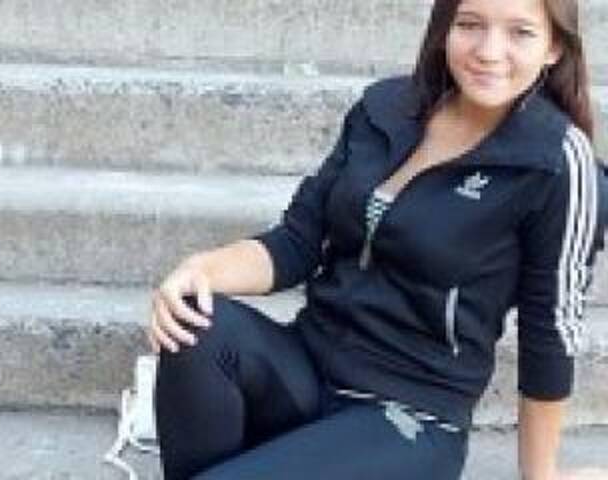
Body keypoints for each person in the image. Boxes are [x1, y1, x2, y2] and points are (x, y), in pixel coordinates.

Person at [148, 0, 606, 478]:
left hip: (409, 416)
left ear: (554, 47)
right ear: (445, 28)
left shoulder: (556, 161)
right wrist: (201, 270)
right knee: (194, 316)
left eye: (520, 33)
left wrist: (540, 476)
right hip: (309, 368)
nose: (489, 51)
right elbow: (295, 243)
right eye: (470, 25)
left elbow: (550, 332)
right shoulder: (385, 108)